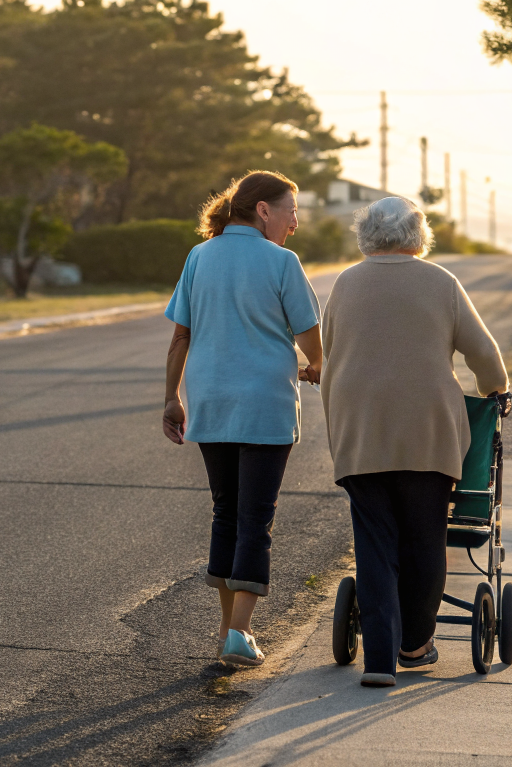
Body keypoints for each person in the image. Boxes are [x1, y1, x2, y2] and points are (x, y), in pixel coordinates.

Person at [320, 197, 508, 687]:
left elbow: (331, 354)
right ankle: (415, 645)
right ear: (417, 234)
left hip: (362, 432)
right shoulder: (440, 282)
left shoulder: (346, 282)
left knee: (375, 544)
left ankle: (379, 660)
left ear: (367, 236)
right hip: (428, 433)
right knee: (426, 537)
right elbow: (482, 353)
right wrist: (497, 389)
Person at [162, 170, 324, 668]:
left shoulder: (199, 256)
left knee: (226, 513)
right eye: (291, 210)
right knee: (256, 518)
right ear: (263, 211)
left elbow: (181, 336)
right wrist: (314, 366)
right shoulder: (281, 262)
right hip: (264, 406)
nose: (295, 223)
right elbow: (310, 333)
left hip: (210, 403)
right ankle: (241, 632)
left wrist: (171, 398)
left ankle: (228, 632)